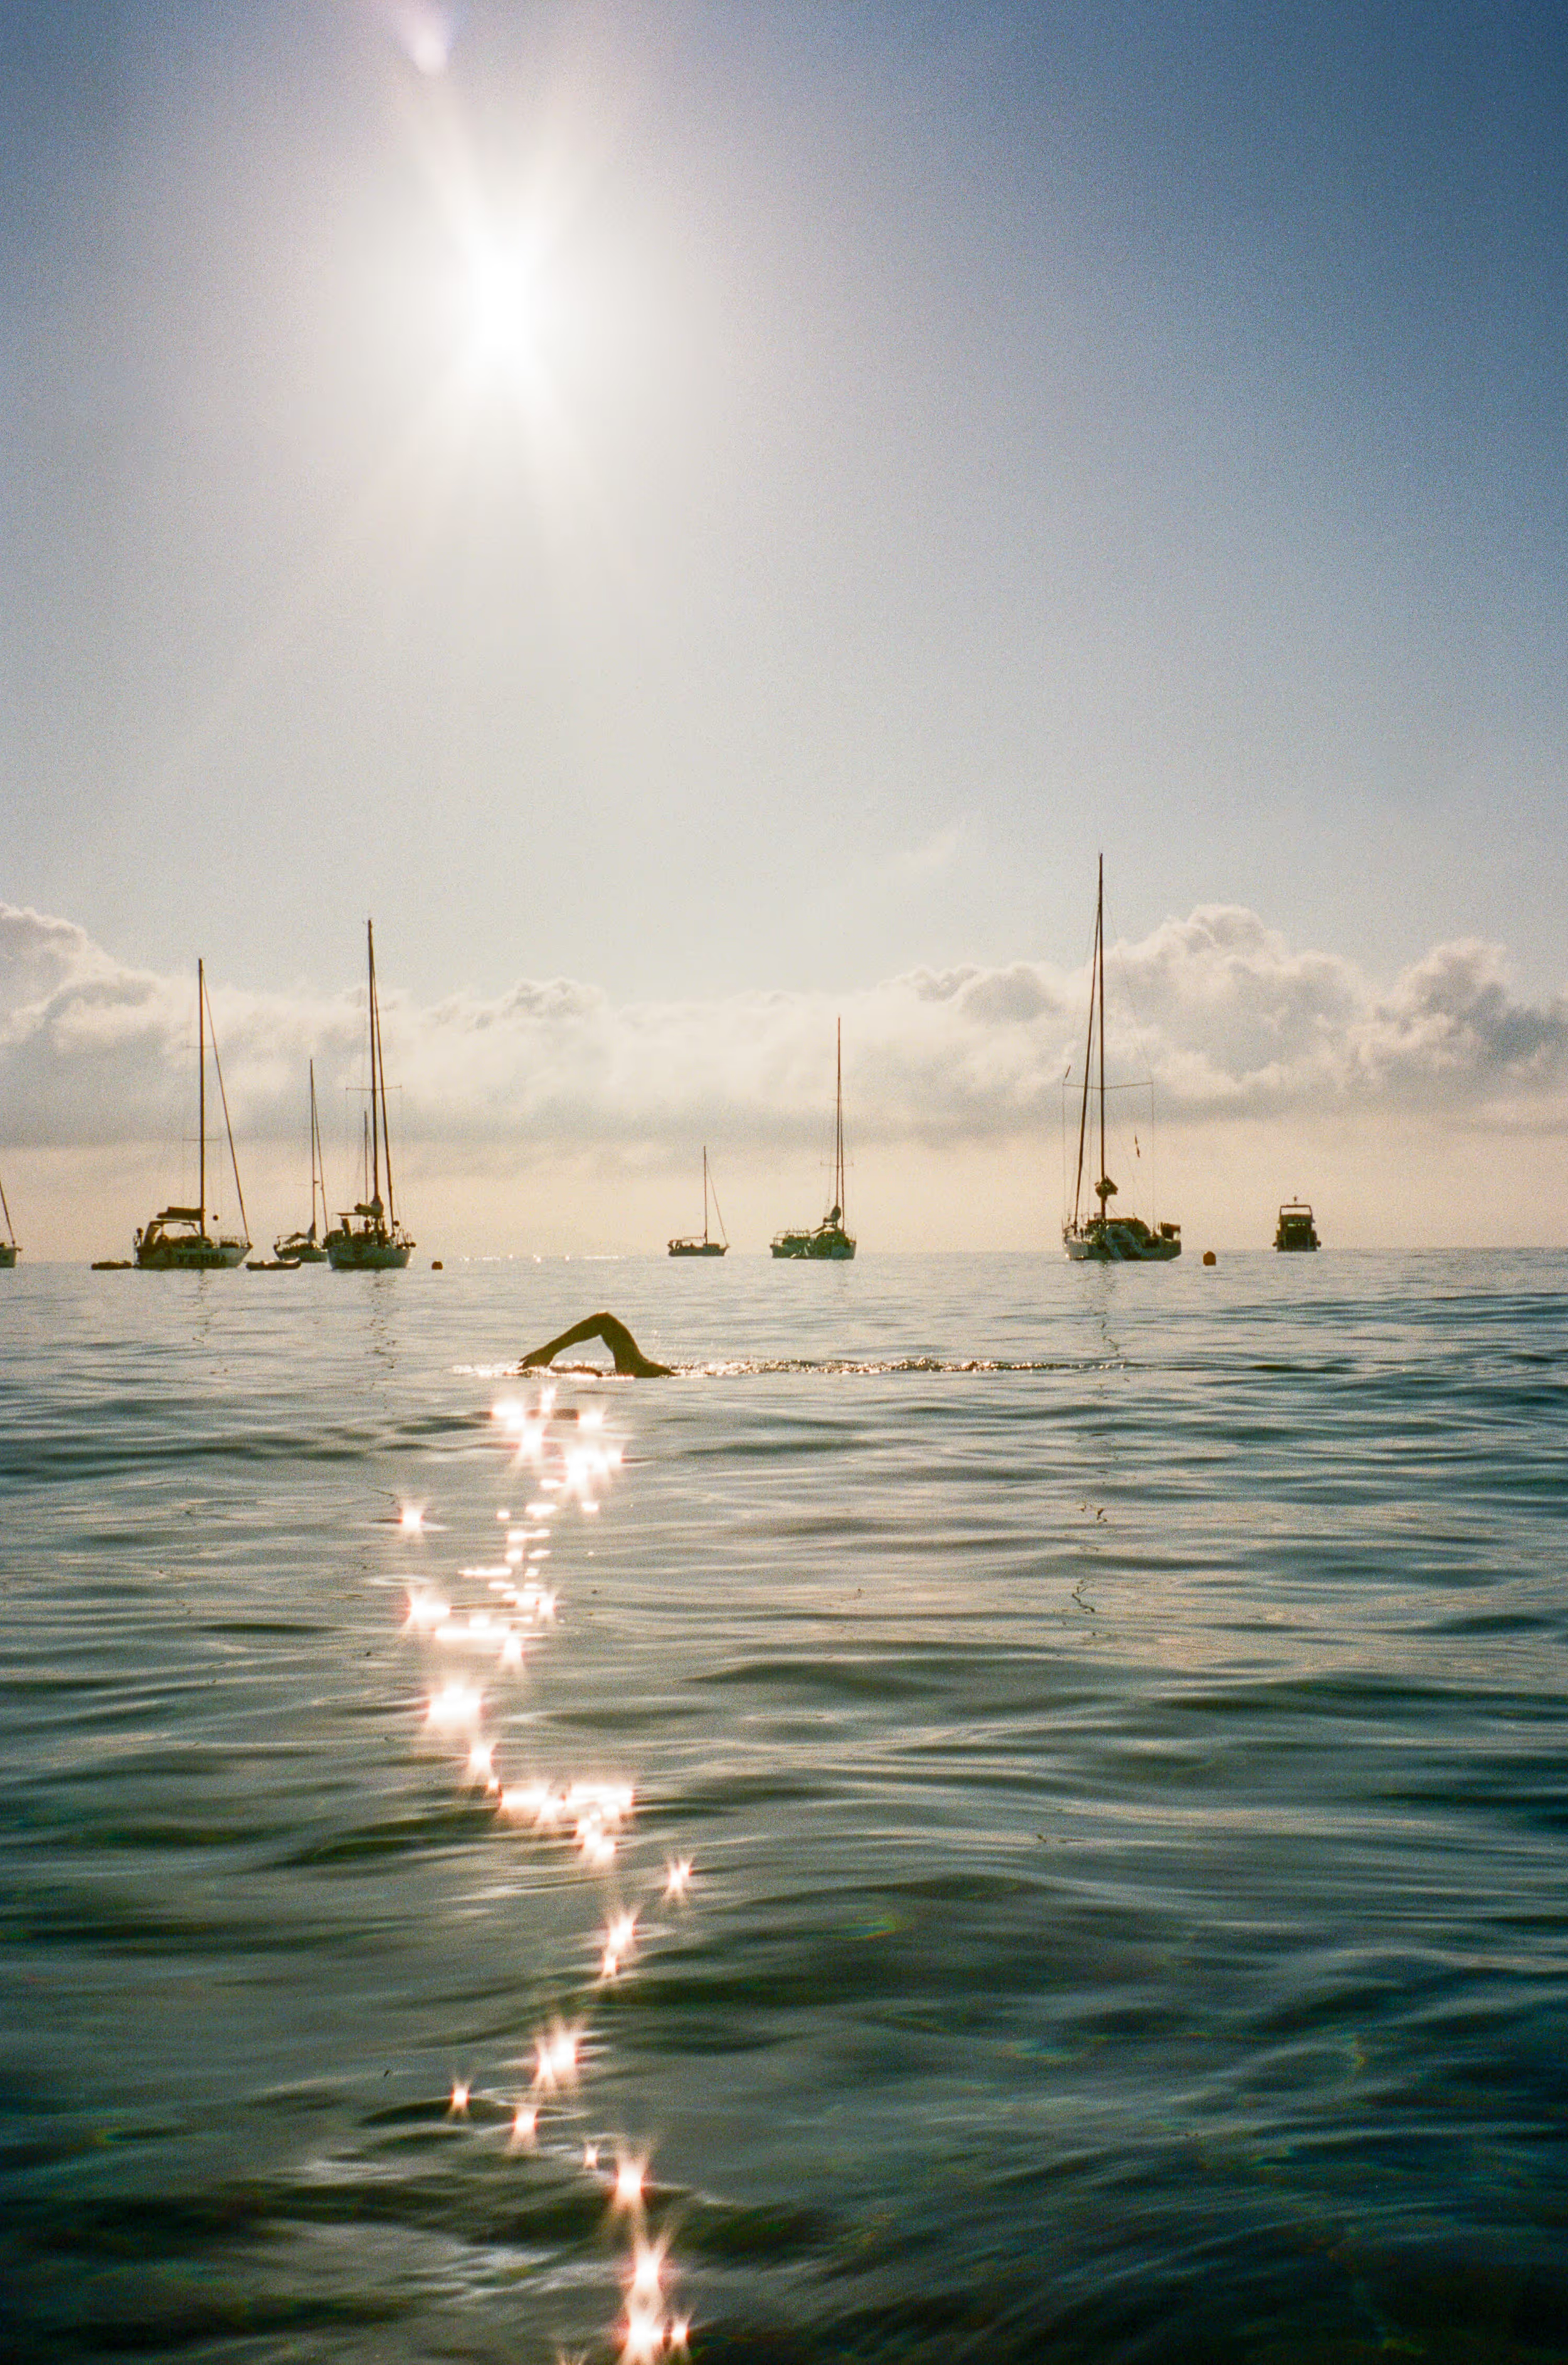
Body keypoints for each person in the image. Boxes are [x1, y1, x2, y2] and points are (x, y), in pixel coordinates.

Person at [519, 1312, 672, 1379]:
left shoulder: (635, 1366)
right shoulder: (630, 1365)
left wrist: (549, 1351)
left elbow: (603, 1320)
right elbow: (604, 1321)